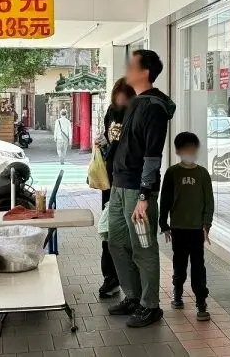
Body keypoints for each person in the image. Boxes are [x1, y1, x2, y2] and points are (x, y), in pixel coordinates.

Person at [107, 49, 175, 328]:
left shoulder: (154, 108)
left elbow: (152, 156)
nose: (127, 70)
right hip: (119, 186)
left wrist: (145, 196)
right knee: (116, 242)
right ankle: (133, 296)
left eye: (132, 66)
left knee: (143, 247)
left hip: (138, 191)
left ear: (144, 72)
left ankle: (150, 305)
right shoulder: (134, 103)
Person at [159, 132, 214, 321]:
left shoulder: (203, 174)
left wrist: (207, 224)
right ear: (178, 151)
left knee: (198, 266)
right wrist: (163, 223)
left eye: (192, 149)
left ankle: (201, 301)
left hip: (196, 229)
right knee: (179, 264)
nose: (189, 152)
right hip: (178, 228)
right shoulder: (172, 173)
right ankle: (178, 292)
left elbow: (209, 201)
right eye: (185, 149)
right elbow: (165, 200)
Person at [96, 78, 136, 299]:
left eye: (124, 98)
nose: (120, 102)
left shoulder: (136, 115)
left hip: (129, 181)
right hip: (110, 180)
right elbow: (110, 140)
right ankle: (110, 278)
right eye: (117, 98)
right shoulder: (111, 112)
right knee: (108, 230)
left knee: (128, 235)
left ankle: (129, 283)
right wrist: (102, 145)